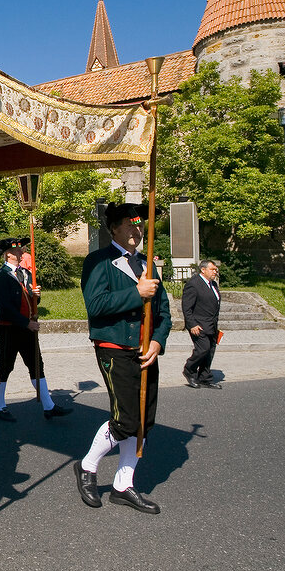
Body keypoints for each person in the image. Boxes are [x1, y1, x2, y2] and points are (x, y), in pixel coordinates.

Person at [74, 202, 171, 515]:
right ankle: (88, 466)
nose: (137, 230)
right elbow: (96, 305)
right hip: (114, 348)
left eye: (140, 225)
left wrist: (157, 340)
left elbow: (165, 311)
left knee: (143, 421)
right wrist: (137, 294)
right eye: (130, 225)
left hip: (146, 352)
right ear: (113, 228)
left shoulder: (147, 264)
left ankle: (123, 484)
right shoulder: (98, 262)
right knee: (126, 418)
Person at [0, 238, 71, 421]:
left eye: (21, 250)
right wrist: (26, 323)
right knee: (5, 365)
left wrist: (36, 296)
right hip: (9, 328)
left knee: (36, 364)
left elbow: (31, 301)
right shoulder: (1, 277)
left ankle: (48, 406)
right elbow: (5, 307)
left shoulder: (26, 273)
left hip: (27, 328)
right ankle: (0, 405)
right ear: (8, 254)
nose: (22, 253)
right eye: (18, 251)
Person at [181, 259, 223, 389]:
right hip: (198, 325)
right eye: (212, 269)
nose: (215, 272)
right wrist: (192, 324)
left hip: (211, 324)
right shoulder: (194, 284)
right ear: (203, 270)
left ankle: (205, 377)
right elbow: (186, 307)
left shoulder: (213, 284)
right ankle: (189, 370)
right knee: (202, 349)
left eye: (216, 269)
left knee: (209, 351)